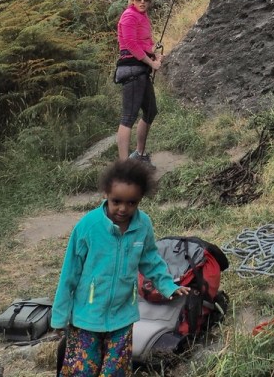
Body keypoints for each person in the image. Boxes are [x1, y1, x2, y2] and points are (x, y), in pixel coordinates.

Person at [51, 159, 189, 377]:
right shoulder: (88, 226)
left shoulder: (143, 225)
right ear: (105, 193)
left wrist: (167, 285)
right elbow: (69, 273)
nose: (123, 209)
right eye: (117, 201)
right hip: (87, 317)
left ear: (140, 199)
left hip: (122, 317)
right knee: (82, 370)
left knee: (116, 372)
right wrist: (59, 316)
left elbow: (150, 259)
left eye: (132, 203)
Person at [116, 0, 162, 165]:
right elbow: (130, 45)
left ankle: (140, 154)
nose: (142, 2)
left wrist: (154, 52)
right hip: (132, 69)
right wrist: (152, 62)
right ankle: (124, 166)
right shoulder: (129, 16)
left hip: (141, 69)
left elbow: (143, 44)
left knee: (151, 110)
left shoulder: (143, 17)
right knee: (128, 117)